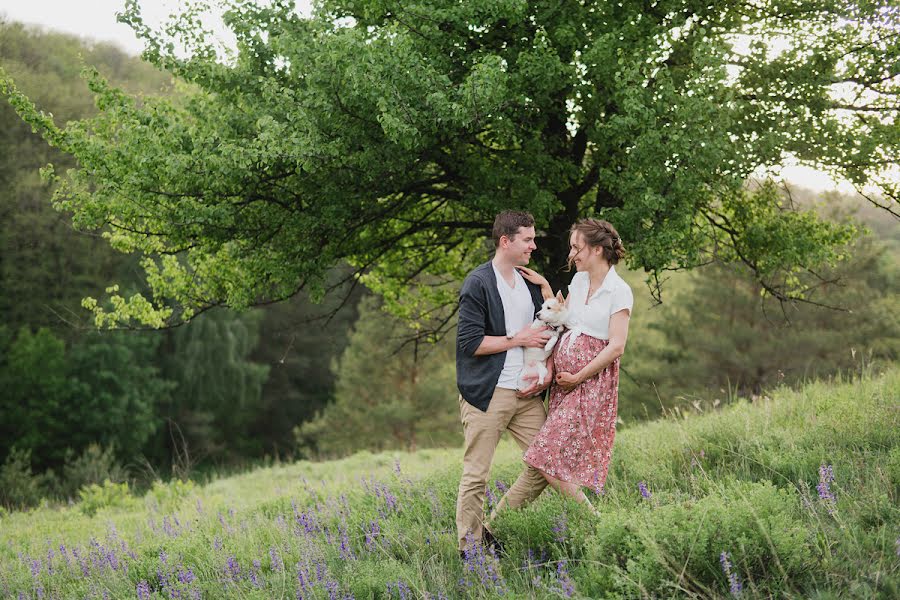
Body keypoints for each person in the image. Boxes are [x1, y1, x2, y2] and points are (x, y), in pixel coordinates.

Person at [455, 210, 555, 555]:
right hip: (488, 393)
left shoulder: (529, 281)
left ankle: (490, 531)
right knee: (477, 476)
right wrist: (517, 338)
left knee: (547, 464)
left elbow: (551, 327)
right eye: (527, 239)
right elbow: (470, 343)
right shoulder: (478, 283)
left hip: (527, 394)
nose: (534, 245)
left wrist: (545, 287)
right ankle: (470, 553)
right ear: (505, 241)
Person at [517, 218, 632, 511]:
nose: (571, 255)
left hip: (589, 384)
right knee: (544, 460)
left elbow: (617, 345)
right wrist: (545, 287)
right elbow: (562, 318)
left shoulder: (619, 290)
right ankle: (491, 527)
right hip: (564, 384)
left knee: (544, 457)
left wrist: (578, 376)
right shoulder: (579, 281)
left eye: (576, 248)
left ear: (596, 249)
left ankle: (594, 521)